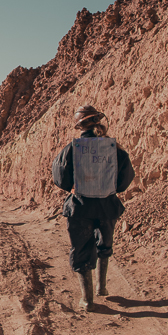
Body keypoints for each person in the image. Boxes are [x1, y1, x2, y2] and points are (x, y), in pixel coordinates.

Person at [51, 105, 135, 312]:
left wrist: (74, 188)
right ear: (98, 121)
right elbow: (125, 178)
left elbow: (60, 177)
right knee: (104, 244)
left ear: (79, 125)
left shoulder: (72, 148)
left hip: (80, 207)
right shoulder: (114, 147)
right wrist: (110, 189)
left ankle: (87, 300)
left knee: (81, 248)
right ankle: (102, 287)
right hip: (107, 205)